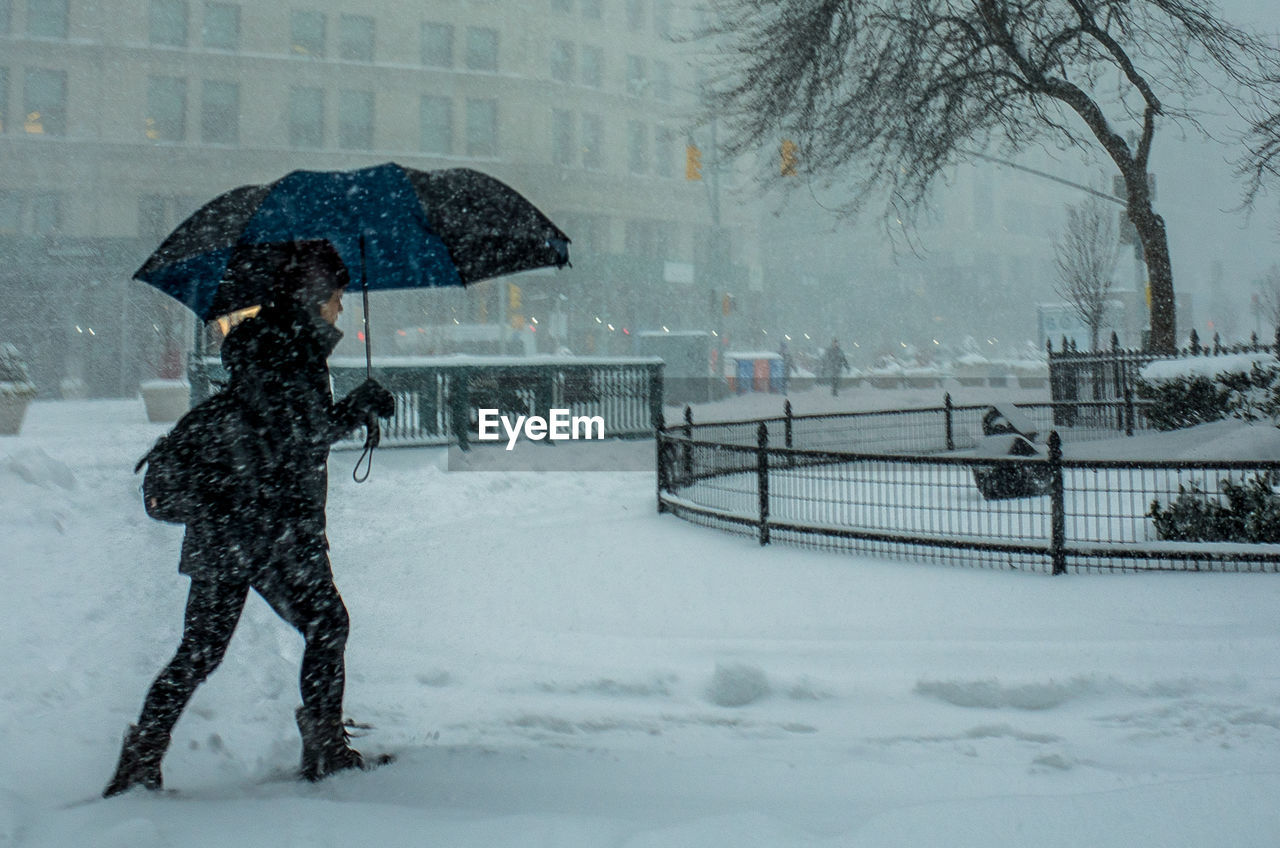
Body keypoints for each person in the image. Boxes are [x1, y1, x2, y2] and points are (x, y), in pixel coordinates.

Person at [104, 240, 396, 797]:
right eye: (335, 294)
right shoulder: (289, 347)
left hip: (232, 523)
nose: (339, 307)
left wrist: (349, 410)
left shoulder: (269, 343)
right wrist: (356, 410)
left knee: (201, 650)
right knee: (327, 625)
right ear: (313, 291)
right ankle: (325, 747)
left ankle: (142, 755)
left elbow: (281, 426)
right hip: (272, 527)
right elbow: (297, 436)